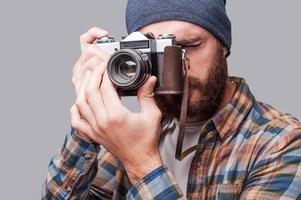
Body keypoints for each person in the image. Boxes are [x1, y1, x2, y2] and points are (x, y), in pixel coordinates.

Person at [43, 0, 301, 199]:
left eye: (188, 45)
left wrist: (142, 162)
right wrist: (89, 122)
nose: (175, 66)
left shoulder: (281, 142)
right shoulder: (128, 133)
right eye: (157, 52)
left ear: (223, 47)